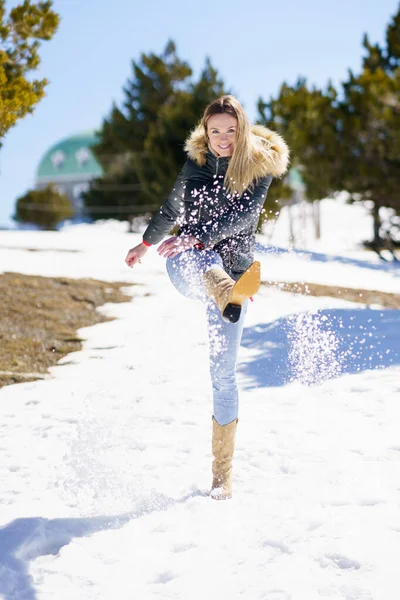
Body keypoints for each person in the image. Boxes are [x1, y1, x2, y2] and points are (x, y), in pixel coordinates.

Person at [125, 95, 289, 500]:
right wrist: (147, 244)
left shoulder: (259, 164)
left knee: (223, 374)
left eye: (230, 131)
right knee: (190, 256)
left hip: (235, 274)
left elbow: (247, 215)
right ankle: (222, 290)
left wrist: (201, 236)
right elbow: (171, 206)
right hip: (197, 269)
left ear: (242, 129)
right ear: (205, 130)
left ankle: (222, 477)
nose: (222, 139)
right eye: (215, 131)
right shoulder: (196, 162)